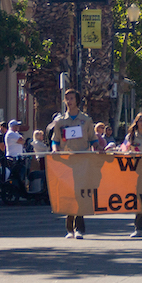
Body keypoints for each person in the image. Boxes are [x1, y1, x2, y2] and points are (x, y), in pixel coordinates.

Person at [51, 89, 98, 239]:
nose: (69, 101)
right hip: (66, 161)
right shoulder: (60, 121)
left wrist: (98, 150)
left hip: (82, 161)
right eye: (67, 99)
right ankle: (69, 228)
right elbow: (55, 140)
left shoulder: (86, 120)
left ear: (77, 101)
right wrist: (54, 150)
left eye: (71, 98)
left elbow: (93, 140)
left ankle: (80, 228)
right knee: (68, 194)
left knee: (80, 193)